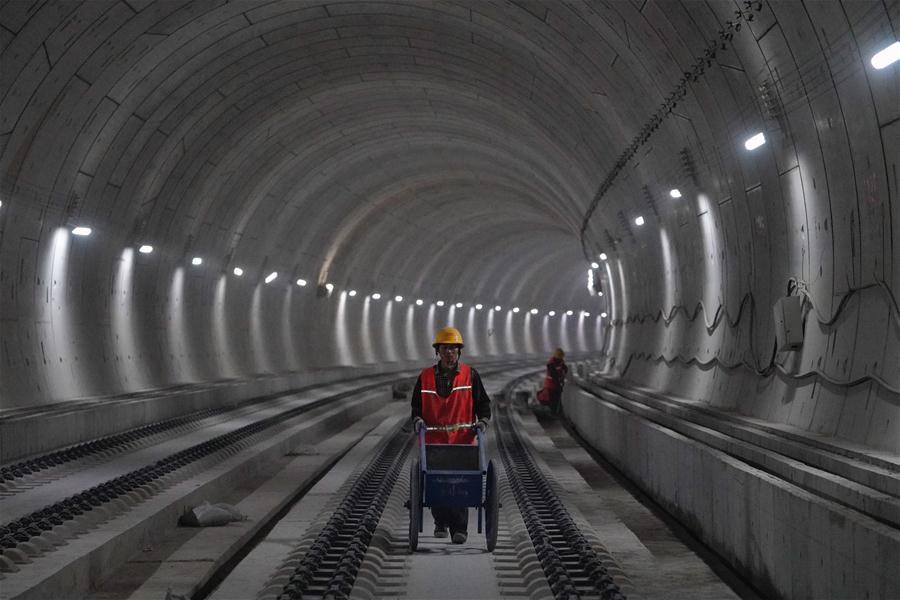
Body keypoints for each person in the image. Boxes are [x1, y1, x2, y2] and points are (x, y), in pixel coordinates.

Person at [410, 326, 491, 544]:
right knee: (436, 481)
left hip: (462, 440)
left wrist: (483, 421)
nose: (449, 353)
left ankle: (459, 528)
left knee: (461, 483)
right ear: (438, 351)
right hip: (434, 440)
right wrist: (417, 419)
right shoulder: (425, 377)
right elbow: (416, 406)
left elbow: (484, 403)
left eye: (453, 349)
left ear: (459, 352)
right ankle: (440, 522)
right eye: (445, 349)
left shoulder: (470, 375)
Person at [545, 347, 568, 415]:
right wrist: (559, 385)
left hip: (556, 384)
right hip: (551, 385)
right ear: (557, 356)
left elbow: (565, 368)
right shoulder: (551, 364)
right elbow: (554, 376)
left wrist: (564, 374)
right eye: (560, 356)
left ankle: (557, 413)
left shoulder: (560, 361)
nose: (562, 358)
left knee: (557, 399)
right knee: (553, 401)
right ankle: (553, 414)